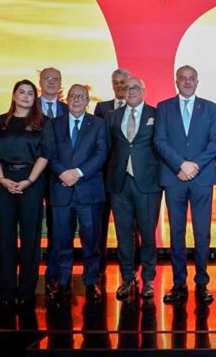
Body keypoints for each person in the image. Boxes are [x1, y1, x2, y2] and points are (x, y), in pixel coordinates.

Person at [154, 65, 216, 304]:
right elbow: (159, 141)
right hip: (175, 177)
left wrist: (194, 166)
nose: (187, 82)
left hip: (201, 178)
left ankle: (202, 283)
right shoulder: (164, 107)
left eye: (192, 78)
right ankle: (179, 283)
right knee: (177, 232)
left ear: (197, 81)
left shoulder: (210, 108)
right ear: (176, 81)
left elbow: (215, 143)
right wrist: (180, 165)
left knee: (202, 233)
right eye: (183, 78)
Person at [0, 80, 53, 309]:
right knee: (5, 237)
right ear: (14, 95)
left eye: (30, 93)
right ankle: (6, 291)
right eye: (21, 92)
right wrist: (2, 179)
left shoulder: (43, 123)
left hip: (32, 182)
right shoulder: (0, 122)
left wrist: (29, 180)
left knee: (30, 238)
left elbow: (45, 155)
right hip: (3, 181)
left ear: (35, 98)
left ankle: (26, 291)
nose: (26, 96)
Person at [48, 84, 108, 303]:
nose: (76, 100)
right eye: (72, 96)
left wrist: (78, 172)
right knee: (61, 241)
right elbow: (49, 153)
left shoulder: (98, 124)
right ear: (67, 100)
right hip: (61, 189)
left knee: (91, 241)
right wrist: (62, 173)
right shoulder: (54, 124)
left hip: (89, 191)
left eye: (81, 96)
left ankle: (91, 281)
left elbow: (101, 153)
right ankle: (62, 281)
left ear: (87, 101)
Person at [105, 77, 162, 301]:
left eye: (136, 88)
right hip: (119, 183)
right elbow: (107, 148)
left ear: (144, 91)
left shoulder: (156, 114)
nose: (131, 91)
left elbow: (162, 144)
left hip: (148, 183)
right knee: (123, 234)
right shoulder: (112, 117)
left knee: (147, 233)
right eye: (128, 88)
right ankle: (127, 278)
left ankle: (148, 279)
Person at [93, 68, 131, 279]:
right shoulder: (101, 108)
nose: (119, 86)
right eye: (115, 82)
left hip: (131, 177)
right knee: (100, 225)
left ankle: (131, 271)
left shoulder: (139, 108)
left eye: (123, 82)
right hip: (105, 176)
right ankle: (99, 269)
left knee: (130, 227)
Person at [39, 67, 68, 293]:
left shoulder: (68, 110)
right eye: (47, 78)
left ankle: (54, 276)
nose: (51, 82)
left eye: (55, 79)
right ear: (40, 82)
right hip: (32, 177)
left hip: (60, 177)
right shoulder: (27, 107)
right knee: (31, 227)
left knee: (57, 227)